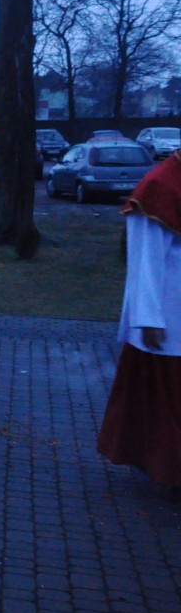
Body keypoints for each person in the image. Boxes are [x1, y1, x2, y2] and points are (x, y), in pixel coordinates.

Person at [97, 148, 181, 488]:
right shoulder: (159, 186)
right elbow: (145, 260)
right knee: (166, 401)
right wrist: (148, 318)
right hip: (170, 315)